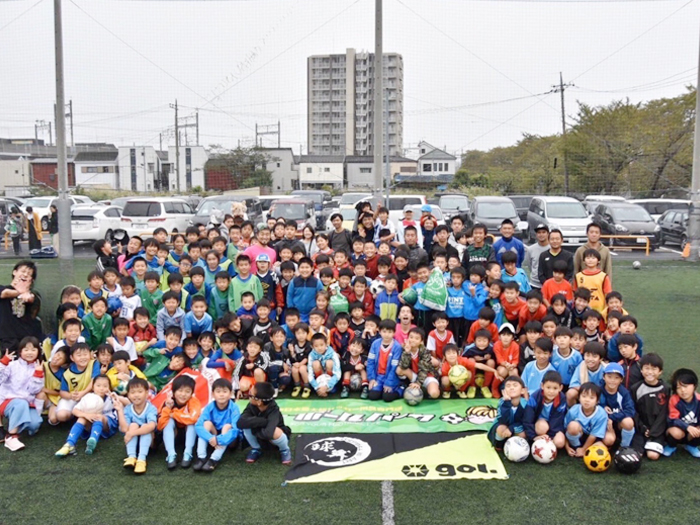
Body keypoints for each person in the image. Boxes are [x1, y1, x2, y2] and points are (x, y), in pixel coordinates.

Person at [54, 375, 117, 457]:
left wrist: (116, 399)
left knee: (99, 416)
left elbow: (125, 403)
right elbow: (74, 410)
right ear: (93, 387)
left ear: (109, 388)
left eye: (105, 386)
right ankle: (69, 444)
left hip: (106, 426)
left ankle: (92, 440)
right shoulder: (88, 398)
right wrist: (86, 415)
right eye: (98, 385)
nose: (101, 388)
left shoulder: (111, 398)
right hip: (90, 423)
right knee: (82, 417)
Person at [0, 336, 44, 450]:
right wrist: (3, 363)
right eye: (26, 350)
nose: (30, 353)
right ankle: (11, 437)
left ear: (38, 352)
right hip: (8, 401)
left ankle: (17, 420)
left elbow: (34, 390)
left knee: (35, 425)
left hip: (27, 403)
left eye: (33, 350)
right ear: (20, 351)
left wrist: (38, 375)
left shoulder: (38, 367)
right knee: (21, 403)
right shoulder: (12, 365)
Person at [237, 381, 292, 465]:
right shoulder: (251, 405)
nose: (248, 395)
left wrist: (254, 427)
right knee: (246, 425)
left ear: (259, 402)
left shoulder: (274, 409)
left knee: (276, 432)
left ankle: (284, 450)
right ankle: (256, 448)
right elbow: (240, 423)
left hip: (273, 440)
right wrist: (264, 421)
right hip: (262, 435)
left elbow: (269, 433)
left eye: (250, 394)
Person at [194, 378, 240, 472]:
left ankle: (214, 459)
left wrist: (219, 439)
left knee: (227, 426)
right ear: (213, 394)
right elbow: (198, 425)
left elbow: (236, 429)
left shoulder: (234, 408)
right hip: (213, 437)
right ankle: (201, 457)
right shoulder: (210, 407)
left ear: (230, 393)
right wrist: (211, 438)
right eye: (218, 391)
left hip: (230, 440)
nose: (221, 394)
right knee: (206, 423)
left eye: (225, 391)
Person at [630, 353, 670, 460]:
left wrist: (654, 431)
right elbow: (633, 411)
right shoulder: (636, 388)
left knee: (653, 456)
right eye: (646, 368)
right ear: (641, 370)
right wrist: (643, 428)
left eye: (654, 369)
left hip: (657, 430)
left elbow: (664, 413)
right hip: (640, 429)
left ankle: (658, 441)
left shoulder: (666, 389)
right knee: (636, 455)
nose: (650, 372)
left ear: (660, 371)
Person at [158, 374, 202, 469]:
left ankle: (188, 453)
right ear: (174, 391)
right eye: (180, 390)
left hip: (190, 434)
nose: (183, 394)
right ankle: (171, 454)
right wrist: (167, 409)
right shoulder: (168, 402)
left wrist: (174, 414)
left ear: (191, 393)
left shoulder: (194, 401)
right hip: (175, 434)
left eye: (187, 391)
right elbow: (160, 425)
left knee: (191, 424)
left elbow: (193, 418)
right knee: (168, 421)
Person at [114, 377, 157, 474]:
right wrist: (120, 410)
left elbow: (151, 426)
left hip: (149, 442)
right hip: (132, 440)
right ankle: (131, 457)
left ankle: (141, 460)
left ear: (146, 393)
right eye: (133, 392)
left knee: (145, 427)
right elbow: (124, 428)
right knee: (133, 425)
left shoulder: (151, 408)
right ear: (128, 395)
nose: (136, 395)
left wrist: (131, 433)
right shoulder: (128, 409)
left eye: (140, 392)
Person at [0, 261, 43, 354]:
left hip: (27, 338)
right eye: (23, 271)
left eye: (29, 274)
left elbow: (30, 299)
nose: (25, 275)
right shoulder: (3, 289)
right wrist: (19, 292)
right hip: (8, 338)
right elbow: (4, 293)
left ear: (32, 280)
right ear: (14, 272)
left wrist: (26, 294)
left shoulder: (33, 294)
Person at [523, 370, 567, 450]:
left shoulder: (562, 399)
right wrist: (533, 436)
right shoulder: (535, 397)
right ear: (542, 386)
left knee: (560, 443)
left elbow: (557, 420)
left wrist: (550, 436)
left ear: (560, 388)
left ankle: (546, 443)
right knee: (542, 427)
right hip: (540, 423)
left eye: (555, 388)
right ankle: (539, 439)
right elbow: (527, 419)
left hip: (554, 426)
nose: (551, 391)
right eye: (548, 387)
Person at [564, 382, 609, 457]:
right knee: (572, 426)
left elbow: (594, 435)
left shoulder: (601, 414)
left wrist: (584, 449)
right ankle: (576, 447)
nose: (587, 400)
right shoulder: (573, 410)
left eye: (591, 398)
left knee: (602, 448)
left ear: (597, 400)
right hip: (577, 436)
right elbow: (565, 429)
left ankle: (584, 449)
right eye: (584, 396)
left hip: (592, 439)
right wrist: (567, 447)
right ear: (579, 397)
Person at [665, 368, 700, 458]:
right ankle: (671, 446)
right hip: (679, 429)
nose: (683, 390)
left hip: (692, 432)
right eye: (678, 388)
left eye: (685, 386)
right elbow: (673, 419)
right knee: (676, 432)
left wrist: (697, 429)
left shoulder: (699, 400)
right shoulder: (674, 400)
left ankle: (691, 446)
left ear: (694, 385)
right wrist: (687, 427)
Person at [488, 376, 528, 449]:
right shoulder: (502, 402)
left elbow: (525, 422)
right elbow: (502, 420)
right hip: (503, 425)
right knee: (501, 428)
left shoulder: (526, 404)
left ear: (523, 390)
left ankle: (517, 447)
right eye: (508, 386)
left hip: (517, 427)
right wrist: (507, 403)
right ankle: (499, 444)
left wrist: (511, 428)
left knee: (523, 434)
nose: (511, 388)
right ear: (504, 390)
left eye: (515, 385)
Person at [524, 223, 550, 290]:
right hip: (534, 284)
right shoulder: (531, 249)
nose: (541, 235)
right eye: (539, 232)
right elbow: (530, 265)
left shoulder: (552, 248)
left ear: (548, 234)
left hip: (549, 283)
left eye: (543, 232)